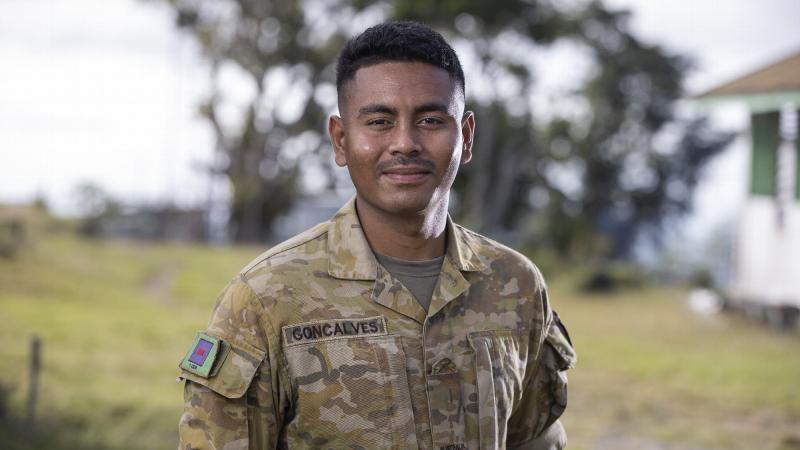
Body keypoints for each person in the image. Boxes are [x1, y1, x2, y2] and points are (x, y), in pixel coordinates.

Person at [178, 20, 576, 450]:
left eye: (429, 119)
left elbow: (535, 439)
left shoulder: (516, 284)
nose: (405, 142)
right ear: (341, 140)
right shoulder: (265, 299)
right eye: (380, 121)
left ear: (465, 136)